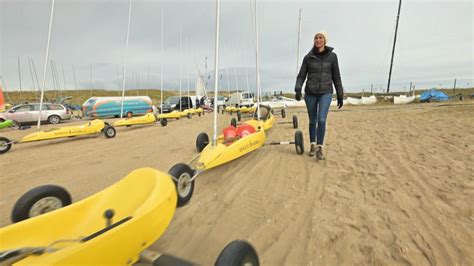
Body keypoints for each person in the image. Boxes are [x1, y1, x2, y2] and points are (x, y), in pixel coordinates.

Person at [294, 31, 344, 160]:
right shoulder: (308, 57)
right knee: (313, 120)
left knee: (321, 119)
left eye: (320, 37)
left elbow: (336, 77)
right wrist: (298, 88)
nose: (318, 40)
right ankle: (312, 144)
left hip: (326, 92)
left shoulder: (333, 57)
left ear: (325, 40)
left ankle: (320, 148)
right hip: (310, 93)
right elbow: (301, 75)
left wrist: (340, 94)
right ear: (314, 41)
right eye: (316, 38)